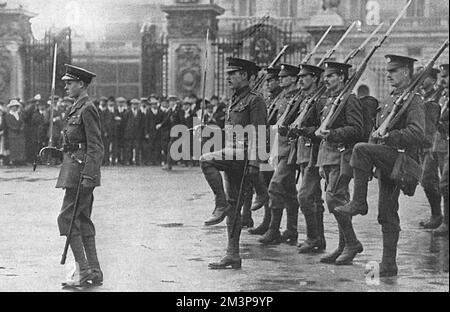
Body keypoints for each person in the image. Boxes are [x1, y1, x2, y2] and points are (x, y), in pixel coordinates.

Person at [335, 55, 426, 276]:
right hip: (386, 159)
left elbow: (418, 133)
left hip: (400, 160)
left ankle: (358, 203)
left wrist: (390, 135)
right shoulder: (392, 99)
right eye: (388, 70)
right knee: (387, 212)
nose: (388, 74)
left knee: (360, 148)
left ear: (406, 72)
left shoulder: (413, 100)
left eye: (393, 71)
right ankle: (388, 264)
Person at [200, 57, 267, 269]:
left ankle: (219, 204)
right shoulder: (235, 100)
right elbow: (233, 132)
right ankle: (233, 254)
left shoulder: (255, 100)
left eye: (233, 73)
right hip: (233, 154)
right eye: (227, 73)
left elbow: (260, 133)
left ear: (245, 76)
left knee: (206, 160)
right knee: (235, 206)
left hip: (244, 156)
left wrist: (255, 164)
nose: (228, 77)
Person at [56, 64, 104, 286]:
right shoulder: (77, 107)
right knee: (81, 219)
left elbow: (96, 146)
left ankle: (84, 271)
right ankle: (93, 271)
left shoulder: (87, 108)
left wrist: (89, 176)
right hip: (74, 169)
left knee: (66, 218)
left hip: (81, 172)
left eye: (69, 83)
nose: (65, 86)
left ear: (82, 84)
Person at [313, 61, 365, 265]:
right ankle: (343, 246)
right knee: (336, 201)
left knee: (335, 200)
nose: (325, 79)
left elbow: (357, 129)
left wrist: (332, 133)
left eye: (331, 76)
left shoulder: (349, 99)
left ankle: (351, 243)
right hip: (328, 157)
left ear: (342, 77)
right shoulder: (331, 100)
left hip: (341, 157)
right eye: (325, 76)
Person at [259, 64, 301, 246]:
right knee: (289, 190)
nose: (280, 79)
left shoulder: (301, 98)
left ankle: (274, 229)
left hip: (292, 149)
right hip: (278, 148)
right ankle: (291, 230)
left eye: (284, 77)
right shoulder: (281, 98)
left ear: (293, 79)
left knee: (275, 186)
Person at [287, 64, 327, 253]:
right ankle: (319, 239)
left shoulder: (320, 101)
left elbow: (321, 129)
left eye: (305, 77)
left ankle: (313, 237)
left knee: (304, 196)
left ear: (315, 78)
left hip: (315, 153)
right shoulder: (305, 100)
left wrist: (303, 130)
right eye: (299, 77)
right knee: (314, 197)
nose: (300, 80)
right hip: (303, 152)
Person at [249, 67, 282, 235]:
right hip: (266, 148)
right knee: (266, 183)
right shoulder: (268, 100)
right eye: (266, 80)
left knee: (277, 187)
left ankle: (276, 227)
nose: (268, 84)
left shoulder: (283, 100)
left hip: (276, 149)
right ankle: (267, 222)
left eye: (271, 80)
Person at [417, 68, 445, 229]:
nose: (421, 79)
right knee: (428, 180)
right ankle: (437, 215)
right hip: (425, 144)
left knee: (436, 180)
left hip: (438, 143)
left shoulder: (440, 95)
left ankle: (439, 216)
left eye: (425, 77)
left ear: (433, 80)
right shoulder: (421, 96)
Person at [433, 63, 449, 237]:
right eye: (442, 76)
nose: (442, 80)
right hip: (442, 145)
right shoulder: (443, 96)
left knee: (445, 184)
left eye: (445, 76)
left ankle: (446, 222)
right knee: (444, 184)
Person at [4, 99, 26, 166]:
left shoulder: (19, 114)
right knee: (14, 148)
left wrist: (22, 127)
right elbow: (9, 124)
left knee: (20, 147)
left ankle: (20, 160)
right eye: (14, 106)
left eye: (16, 106)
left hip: (20, 133)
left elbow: (23, 122)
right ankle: (14, 160)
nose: (15, 108)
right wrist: (16, 128)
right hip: (12, 134)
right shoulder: (8, 115)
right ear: (11, 107)